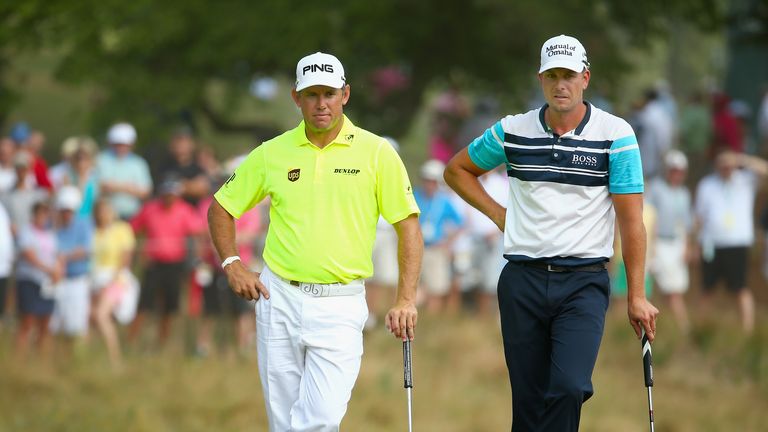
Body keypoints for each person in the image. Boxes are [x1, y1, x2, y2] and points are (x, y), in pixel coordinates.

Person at [444, 35, 659, 431]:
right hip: (521, 279)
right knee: (527, 401)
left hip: (583, 283)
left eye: (570, 76)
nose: (561, 84)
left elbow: (632, 222)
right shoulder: (513, 130)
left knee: (568, 386)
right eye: (553, 75)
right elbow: (457, 170)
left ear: (585, 78)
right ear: (541, 79)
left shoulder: (616, 135)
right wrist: (498, 215)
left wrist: (637, 295)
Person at [207, 52, 422, 432]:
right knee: (283, 423)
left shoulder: (376, 152)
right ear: (296, 98)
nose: (320, 103)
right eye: (311, 95)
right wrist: (231, 264)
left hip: (340, 303)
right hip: (278, 299)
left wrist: (405, 298)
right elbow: (222, 207)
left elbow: (408, 227)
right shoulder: (272, 152)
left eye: (329, 93)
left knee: (318, 421)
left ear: (345, 94)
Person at [694, 151, 767, 335]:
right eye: (722, 163)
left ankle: (747, 330)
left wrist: (742, 159)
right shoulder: (707, 184)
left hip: (737, 243)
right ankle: (700, 328)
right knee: (707, 289)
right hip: (711, 243)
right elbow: (699, 217)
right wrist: (694, 243)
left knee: (740, 288)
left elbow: (765, 171)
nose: (726, 167)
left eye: (729, 163)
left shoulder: (746, 180)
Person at [128, 177, 205, 348]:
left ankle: (161, 343)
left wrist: (197, 255)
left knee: (169, 307)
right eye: (167, 194)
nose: (169, 198)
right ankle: (131, 342)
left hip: (175, 265)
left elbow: (198, 231)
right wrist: (139, 251)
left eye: (173, 194)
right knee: (144, 304)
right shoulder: (150, 209)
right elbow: (132, 229)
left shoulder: (184, 210)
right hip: (153, 264)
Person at [647, 150, 693, 335]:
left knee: (674, 291)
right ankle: (677, 329)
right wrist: (652, 246)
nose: (677, 174)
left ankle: (677, 330)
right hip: (658, 244)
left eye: (680, 171)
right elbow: (649, 217)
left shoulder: (684, 193)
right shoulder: (656, 188)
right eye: (674, 170)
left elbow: (686, 224)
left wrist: (687, 246)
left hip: (676, 244)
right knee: (655, 287)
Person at [91, 198, 137, 369]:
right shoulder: (93, 232)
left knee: (101, 315)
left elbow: (125, 258)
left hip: (117, 280)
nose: (103, 215)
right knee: (92, 319)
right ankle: (95, 357)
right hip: (95, 281)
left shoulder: (122, 229)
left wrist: (110, 280)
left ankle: (115, 359)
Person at [15, 200, 64, 360]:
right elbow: (29, 256)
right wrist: (50, 270)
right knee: (27, 322)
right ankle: (19, 359)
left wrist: (58, 271)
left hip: (47, 284)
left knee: (45, 322)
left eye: (46, 213)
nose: (44, 216)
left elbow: (57, 255)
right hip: (30, 280)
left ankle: (40, 358)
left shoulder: (50, 234)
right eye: (41, 213)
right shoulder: (26, 232)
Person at [414, 159, 463, 313]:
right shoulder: (415, 195)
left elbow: (460, 223)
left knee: (436, 287)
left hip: (436, 248)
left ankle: (431, 322)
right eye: (427, 180)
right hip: (416, 248)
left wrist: (448, 243)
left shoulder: (444, 201)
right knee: (413, 287)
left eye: (432, 181)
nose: (429, 184)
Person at [96, 122, 152, 220]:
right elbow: (98, 185)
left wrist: (116, 187)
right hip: (105, 217)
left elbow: (146, 191)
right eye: (118, 144)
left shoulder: (139, 163)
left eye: (125, 144)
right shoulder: (101, 160)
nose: (121, 147)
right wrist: (128, 188)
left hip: (133, 216)